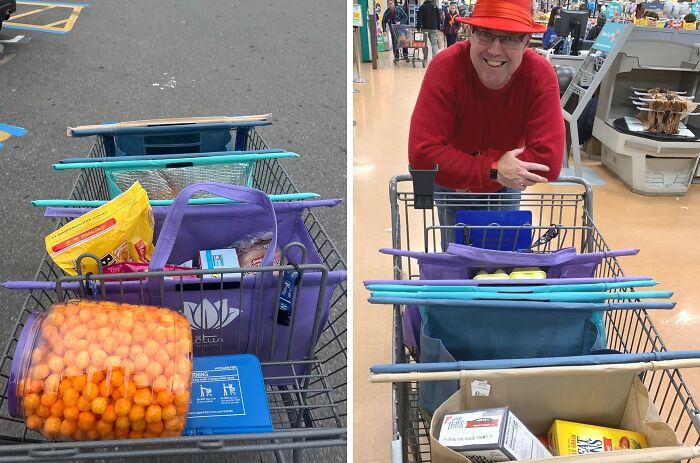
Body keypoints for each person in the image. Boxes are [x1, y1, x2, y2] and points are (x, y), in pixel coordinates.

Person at [408, 0, 565, 250]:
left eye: (510, 38)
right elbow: (422, 154)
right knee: (458, 257)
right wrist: (492, 168)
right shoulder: (445, 67)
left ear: (526, 42)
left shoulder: (539, 75)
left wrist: (487, 171)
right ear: (471, 33)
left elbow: (549, 162)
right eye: (486, 34)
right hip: (453, 185)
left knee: (501, 259)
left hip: (501, 183)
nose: (495, 49)